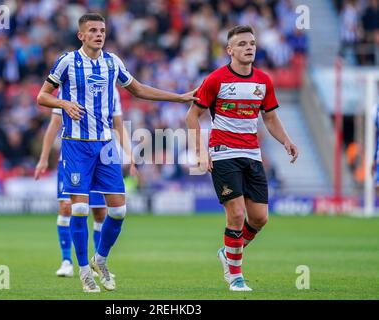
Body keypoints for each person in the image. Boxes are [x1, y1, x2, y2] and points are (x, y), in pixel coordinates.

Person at [37, 13, 197, 293]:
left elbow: (138, 90)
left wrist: (180, 97)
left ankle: (101, 258)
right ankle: (84, 270)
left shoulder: (113, 62)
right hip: (76, 144)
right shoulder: (67, 62)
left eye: (102, 30)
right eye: (92, 30)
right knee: (80, 208)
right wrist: (63, 103)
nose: (99, 34)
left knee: (119, 210)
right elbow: (42, 96)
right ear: (81, 35)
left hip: (106, 146)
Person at [186, 25, 298, 292]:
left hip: (252, 155)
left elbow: (269, 118)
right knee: (236, 215)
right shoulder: (215, 79)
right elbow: (192, 116)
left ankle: (228, 252)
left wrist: (286, 141)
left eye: (252, 43)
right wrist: (201, 152)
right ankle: (235, 277)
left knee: (259, 218)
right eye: (242, 44)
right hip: (224, 153)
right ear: (229, 51)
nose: (249, 48)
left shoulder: (263, 81)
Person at [34, 90, 134, 279]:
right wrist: (44, 158)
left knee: (100, 212)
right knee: (67, 207)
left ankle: (98, 261)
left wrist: (129, 154)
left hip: (100, 158)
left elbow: (118, 125)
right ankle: (66, 261)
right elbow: (54, 124)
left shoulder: (111, 89)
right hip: (72, 158)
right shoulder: (68, 86)